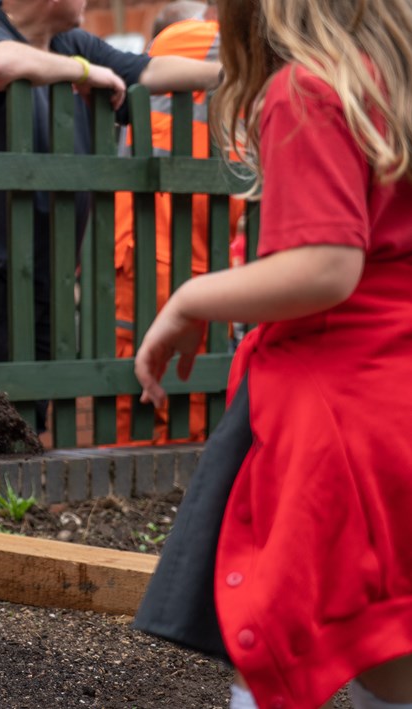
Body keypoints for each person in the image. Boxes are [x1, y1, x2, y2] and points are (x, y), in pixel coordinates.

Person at [132, 0, 412, 707]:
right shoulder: (393, 88)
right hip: (398, 400)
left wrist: (190, 298)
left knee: (278, 633)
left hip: (335, 418)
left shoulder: (308, 89)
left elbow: (325, 267)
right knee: (390, 637)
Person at [0, 0, 221, 439]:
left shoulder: (72, 42)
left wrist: (231, 75)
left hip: (51, 270)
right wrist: (86, 72)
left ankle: (16, 495)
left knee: (30, 414)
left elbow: (148, 71)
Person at [112, 1, 244, 445]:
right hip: (164, 249)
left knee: (179, 400)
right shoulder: (202, 40)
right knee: (151, 400)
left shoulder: (187, 41)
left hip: (182, 251)